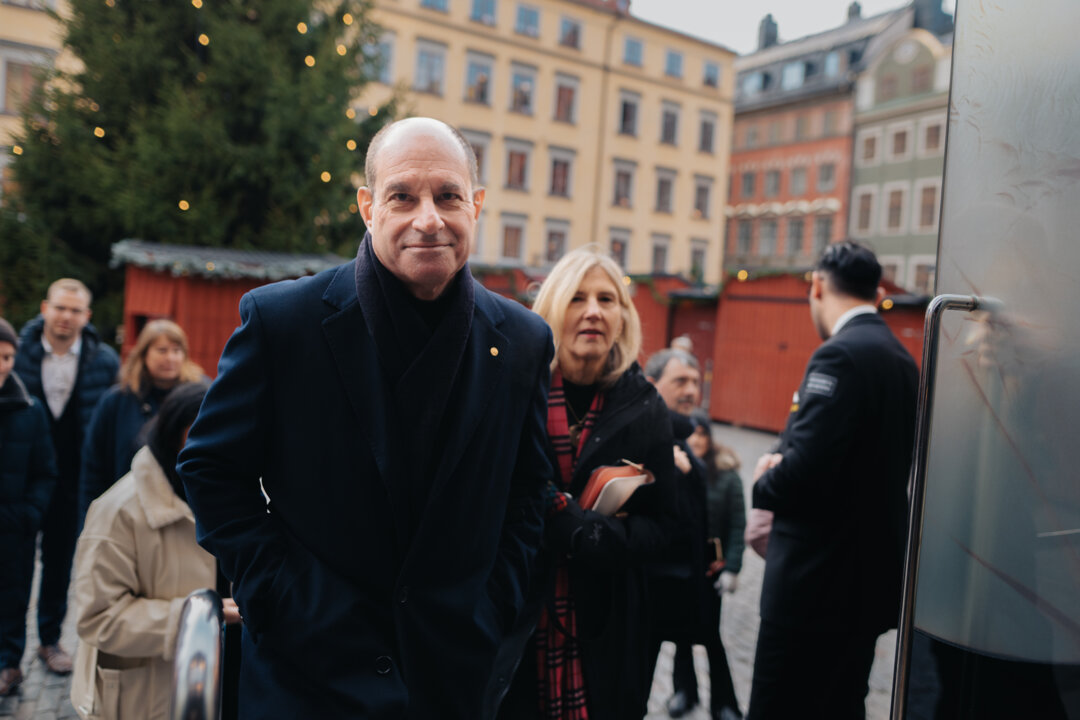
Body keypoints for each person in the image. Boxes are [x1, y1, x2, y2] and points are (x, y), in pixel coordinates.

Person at [177, 117, 554, 718]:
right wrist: (277, 593)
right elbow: (210, 467)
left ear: (476, 205)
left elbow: (529, 489)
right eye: (403, 195)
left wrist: (491, 604)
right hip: (306, 674)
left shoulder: (525, 340)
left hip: (450, 678)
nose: (428, 218)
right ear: (368, 207)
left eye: (448, 196)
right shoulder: (283, 322)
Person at [498, 247, 676, 720]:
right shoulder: (515, 391)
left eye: (607, 298)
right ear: (553, 307)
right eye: (577, 298)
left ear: (622, 315)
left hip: (608, 622)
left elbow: (668, 526)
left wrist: (599, 536)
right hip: (514, 616)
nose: (594, 310)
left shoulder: (646, 406)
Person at [747, 241, 918, 720]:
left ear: (817, 285)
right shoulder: (903, 361)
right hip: (864, 590)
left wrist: (765, 476)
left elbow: (802, 475)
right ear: (878, 291)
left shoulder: (839, 356)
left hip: (812, 592)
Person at [70, 382, 241, 720]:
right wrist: (199, 618)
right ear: (173, 434)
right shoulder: (118, 511)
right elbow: (97, 618)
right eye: (202, 430)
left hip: (232, 682)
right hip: (150, 695)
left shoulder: (237, 493)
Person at [14, 279, 120, 676]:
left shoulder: (104, 361)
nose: (66, 316)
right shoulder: (17, 354)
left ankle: (48, 640)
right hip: (21, 477)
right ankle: (9, 653)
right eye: (60, 308)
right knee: (14, 563)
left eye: (75, 310)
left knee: (59, 562)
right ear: (45, 308)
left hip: (73, 480)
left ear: (86, 317)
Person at [644, 350, 745, 720]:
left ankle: (721, 703)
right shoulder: (647, 440)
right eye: (680, 381)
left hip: (692, 581)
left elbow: (729, 521)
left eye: (694, 381)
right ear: (653, 385)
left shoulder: (686, 444)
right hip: (651, 592)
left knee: (706, 641)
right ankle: (688, 694)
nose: (691, 390)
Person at [80, 319, 204, 520]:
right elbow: (94, 465)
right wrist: (90, 517)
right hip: (128, 512)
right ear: (144, 353)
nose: (170, 358)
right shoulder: (116, 401)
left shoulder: (203, 399)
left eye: (176, 350)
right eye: (162, 350)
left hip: (188, 515)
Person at [0, 318, 58, 697]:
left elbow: (45, 471)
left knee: (12, 597)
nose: (2, 364)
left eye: (7, 357)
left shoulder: (29, 409)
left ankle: (8, 664)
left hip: (13, 530)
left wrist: (29, 515)